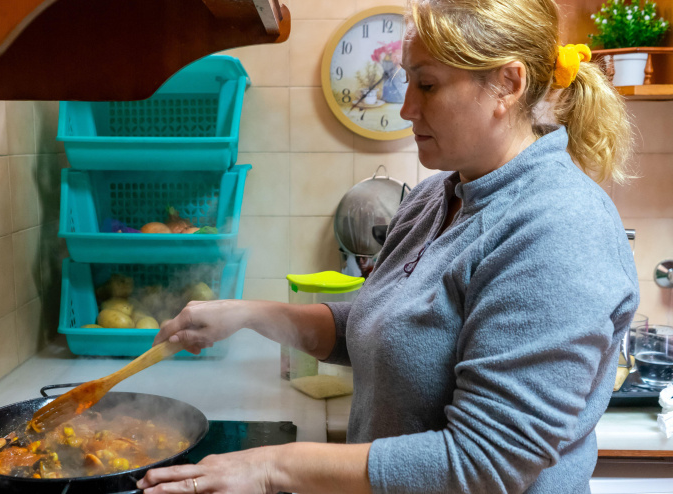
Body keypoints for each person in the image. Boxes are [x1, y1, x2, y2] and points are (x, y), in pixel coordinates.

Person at [137, 0, 639, 492]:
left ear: (507, 83)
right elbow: (380, 326)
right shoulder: (435, 198)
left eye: (427, 85)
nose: (406, 108)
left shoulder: (557, 228)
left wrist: (274, 467)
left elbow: (485, 464)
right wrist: (246, 314)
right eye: (408, 81)